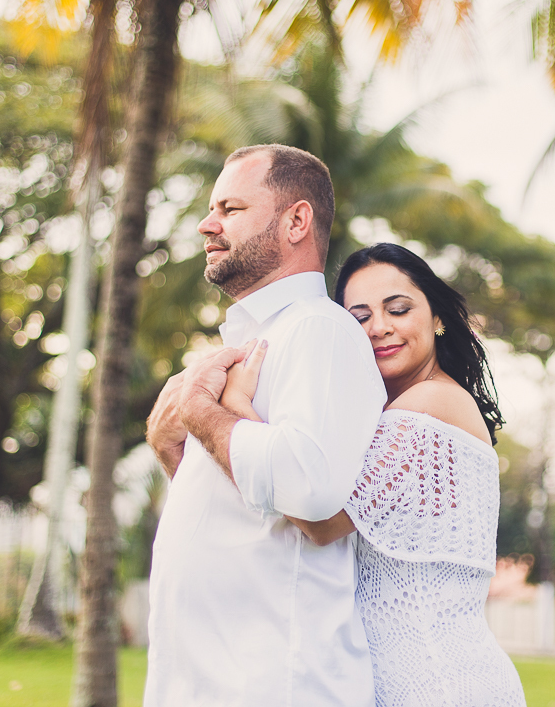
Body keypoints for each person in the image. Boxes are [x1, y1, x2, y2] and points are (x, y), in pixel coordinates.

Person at [221, 242, 527, 707]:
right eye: (359, 317)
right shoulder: (389, 412)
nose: (379, 327)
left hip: (440, 685)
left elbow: (320, 520)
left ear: (437, 317)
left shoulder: (431, 405)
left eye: (398, 309)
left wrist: (235, 410)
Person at [143, 144, 387, 706]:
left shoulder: (317, 332)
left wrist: (202, 415)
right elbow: (240, 507)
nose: (207, 224)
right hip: (209, 683)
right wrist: (170, 449)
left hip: (274, 684)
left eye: (229, 208)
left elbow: (310, 487)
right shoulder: (251, 341)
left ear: (296, 220)